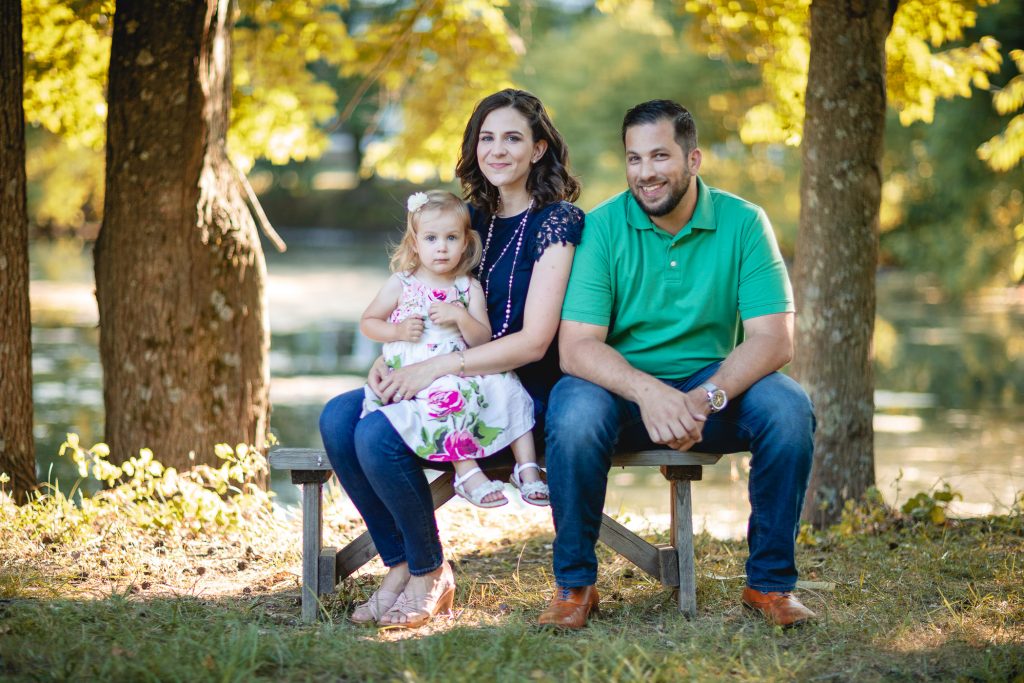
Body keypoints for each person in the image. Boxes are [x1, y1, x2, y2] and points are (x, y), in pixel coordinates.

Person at [540, 99, 815, 629]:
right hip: (618, 388)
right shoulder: (600, 228)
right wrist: (650, 393)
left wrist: (704, 398)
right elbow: (576, 347)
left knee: (787, 409)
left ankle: (769, 585)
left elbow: (775, 340)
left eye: (660, 156)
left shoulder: (743, 222)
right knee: (571, 415)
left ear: (693, 160)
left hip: (709, 388)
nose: (646, 173)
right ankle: (574, 586)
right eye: (635, 158)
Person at [319, 88, 584, 629]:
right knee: (339, 417)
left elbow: (535, 342)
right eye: (487, 137)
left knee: (376, 435)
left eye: (513, 137)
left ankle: (428, 571)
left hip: (515, 385)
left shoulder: (558, 222)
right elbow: (410, 297)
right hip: (443, 371)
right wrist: (390, 355)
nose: (497, 149)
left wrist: (432, 368)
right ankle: (401, 564)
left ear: (538, 149)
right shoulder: (466, 219)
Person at [358, 189, 548, 508]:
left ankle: (526, 467)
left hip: (461, 368)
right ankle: (466, 470)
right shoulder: (401, 283)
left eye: (451, 238)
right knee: (448, 395)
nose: (442, 247)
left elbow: (482, 340)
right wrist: (397, 330)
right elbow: (368, 322)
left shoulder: (468, 286)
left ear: (465, 242)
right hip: (418, 375)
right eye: (431, 238)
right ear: (415, 243)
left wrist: (460, 316)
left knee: (509, 384)